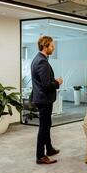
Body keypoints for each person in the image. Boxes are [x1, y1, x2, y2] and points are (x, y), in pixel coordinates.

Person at [31, 36, 63, 164]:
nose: (53, 48)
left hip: (41, 98)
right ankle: (40, 156)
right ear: (45, 46)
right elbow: (46, 84)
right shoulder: (42, 62)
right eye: (51, 46)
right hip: (44, 99)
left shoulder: (38, 59)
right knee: (44, 127)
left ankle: (49, 149)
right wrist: (57, 82)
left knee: (47, 125)